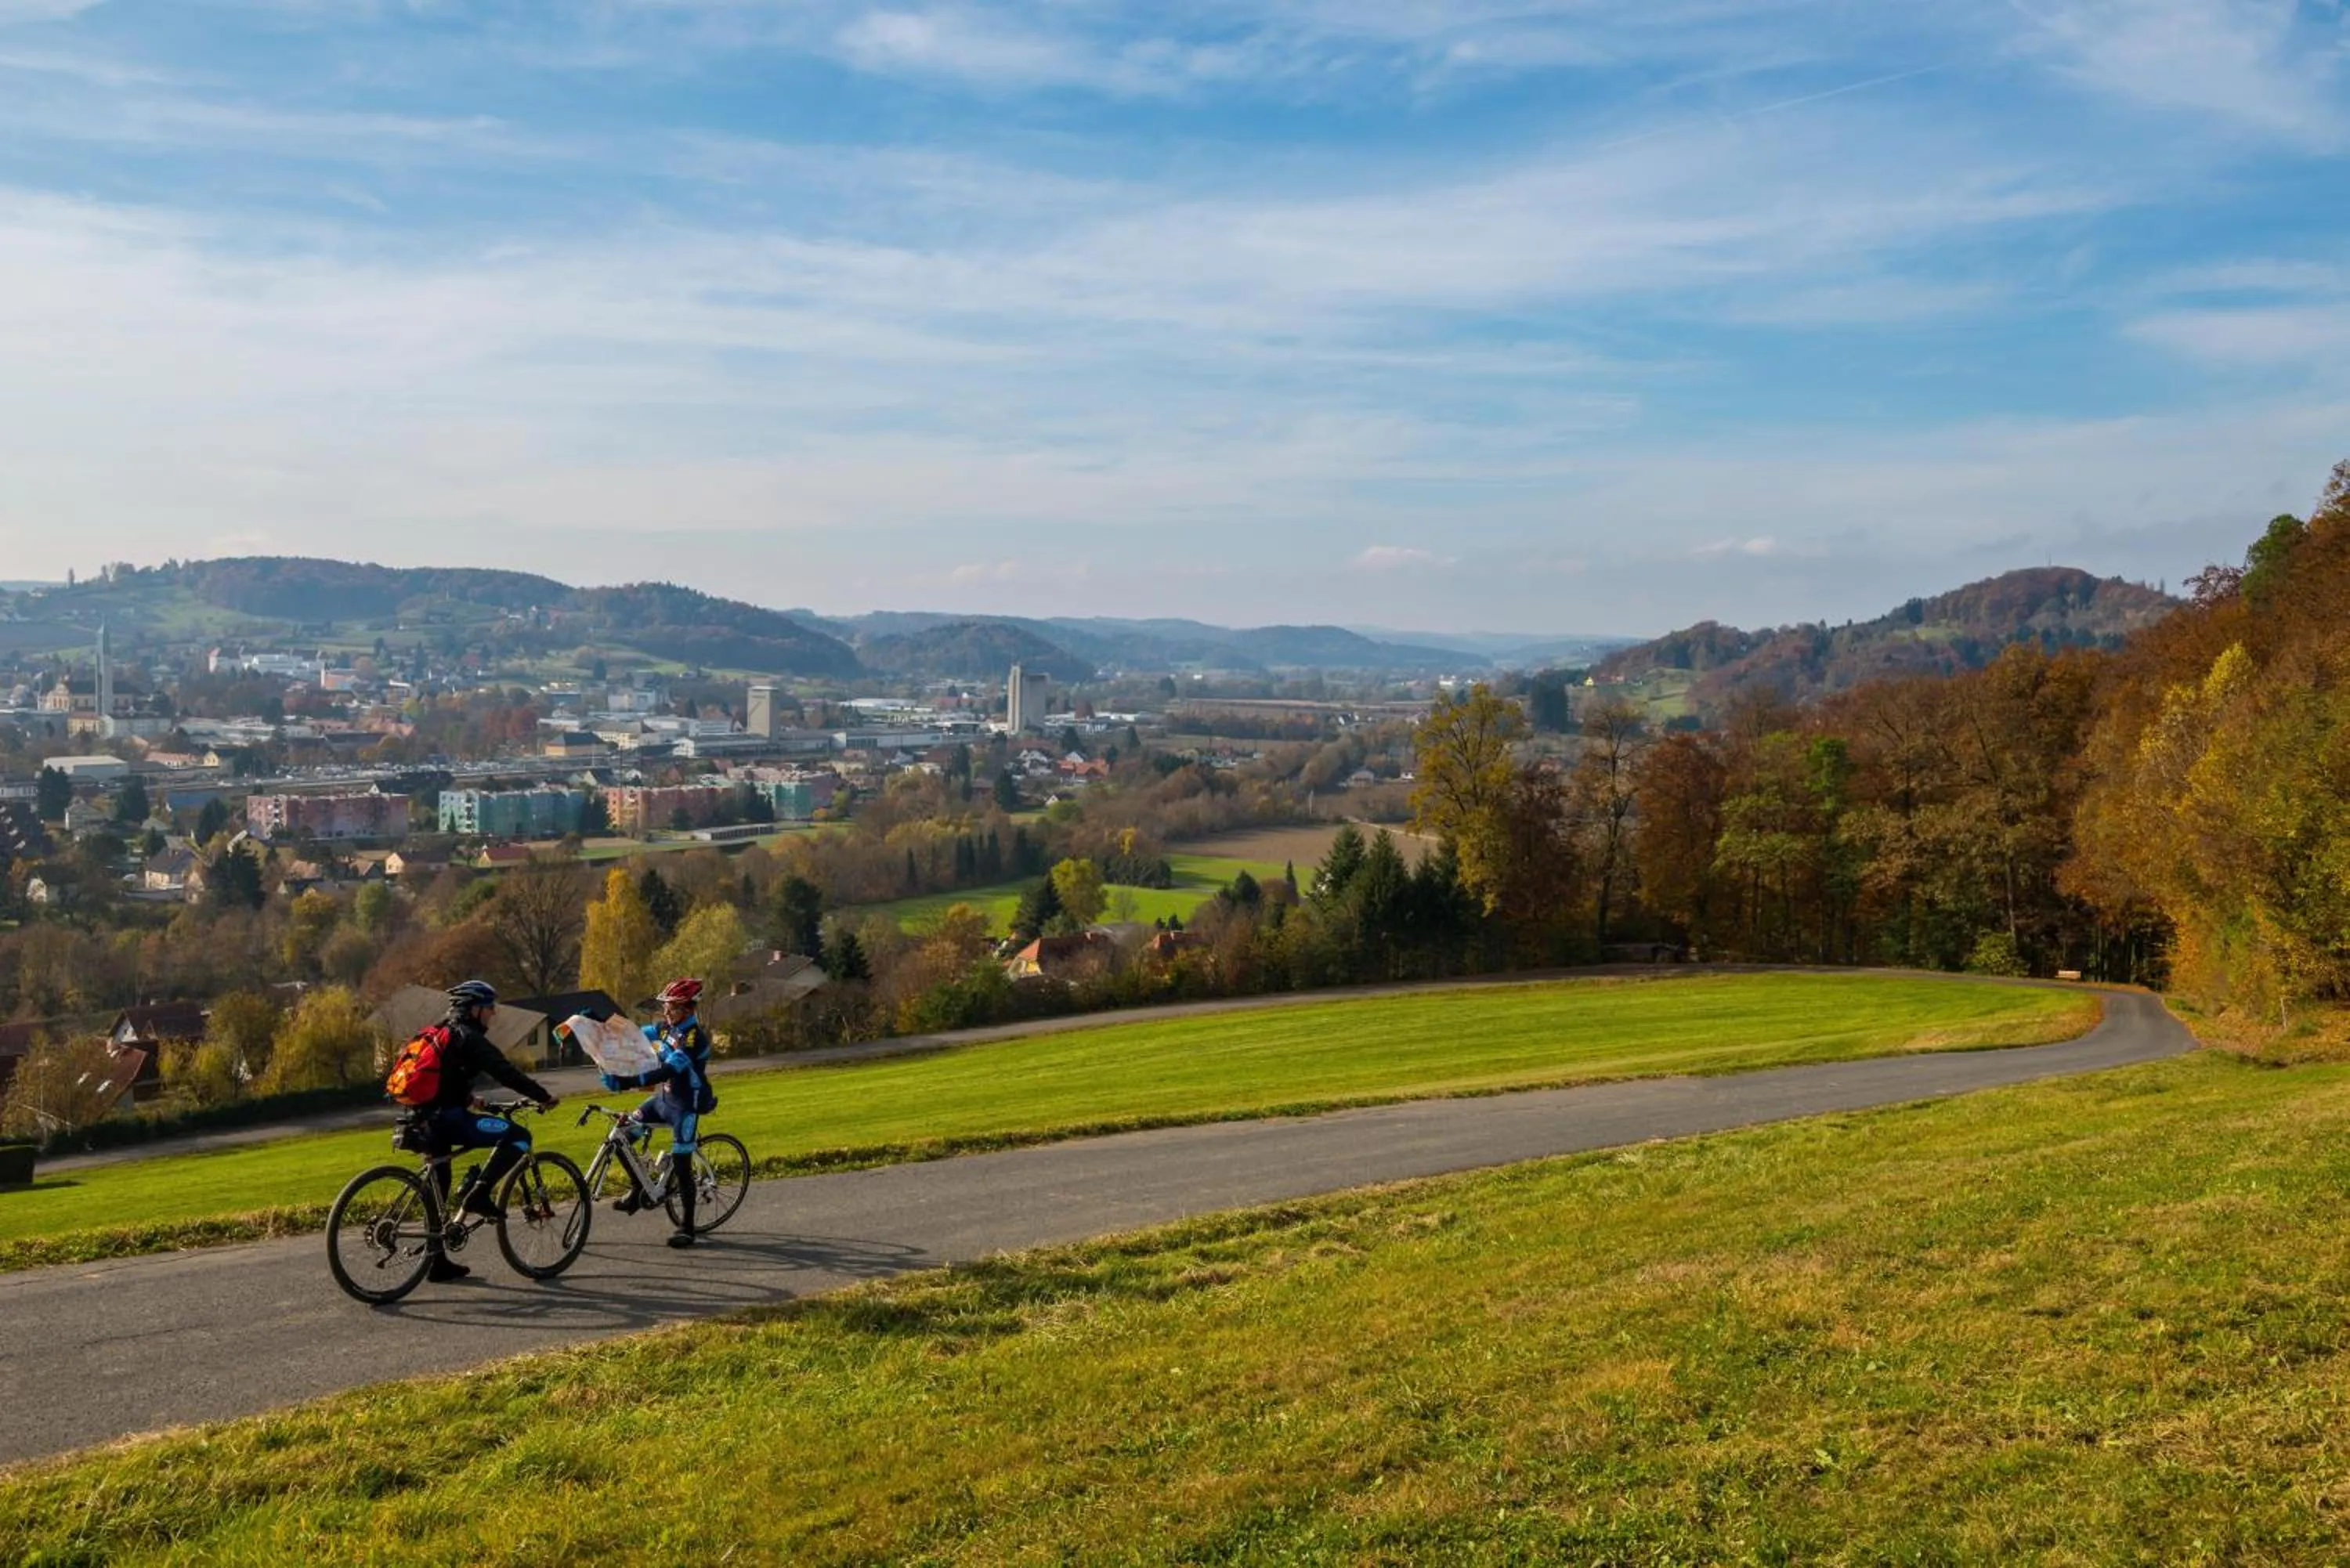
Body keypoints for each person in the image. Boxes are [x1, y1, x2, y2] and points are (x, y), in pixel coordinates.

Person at [413, 979, 559, 1283]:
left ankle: (437, 1263)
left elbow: (444, 1080)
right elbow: (505, 1072)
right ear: (475, 1009)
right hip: (449, 1121)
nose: (493, 1014)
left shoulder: (438, 1032)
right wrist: (543, 1096)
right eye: (490, 1008)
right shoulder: (470, 1037)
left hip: (422, 1120)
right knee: (519, 1136)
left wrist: (470, 1099)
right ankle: (479, 1195)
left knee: (438, 1186)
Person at [600, 977, 718, 1249]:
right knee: (622, 1136)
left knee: (682, 1165)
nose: (666, 1012)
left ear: (689, 1009)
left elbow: (667, 1071)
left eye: (672, 1008)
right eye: (665, 1007)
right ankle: (639, 1187)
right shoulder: (667, 1028)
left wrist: (627, 1082)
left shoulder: (692, 1039)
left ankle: (687, 1228)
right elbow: (632, 1032)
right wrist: (596, 1020)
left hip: (685, 1107)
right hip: (662, 1100)